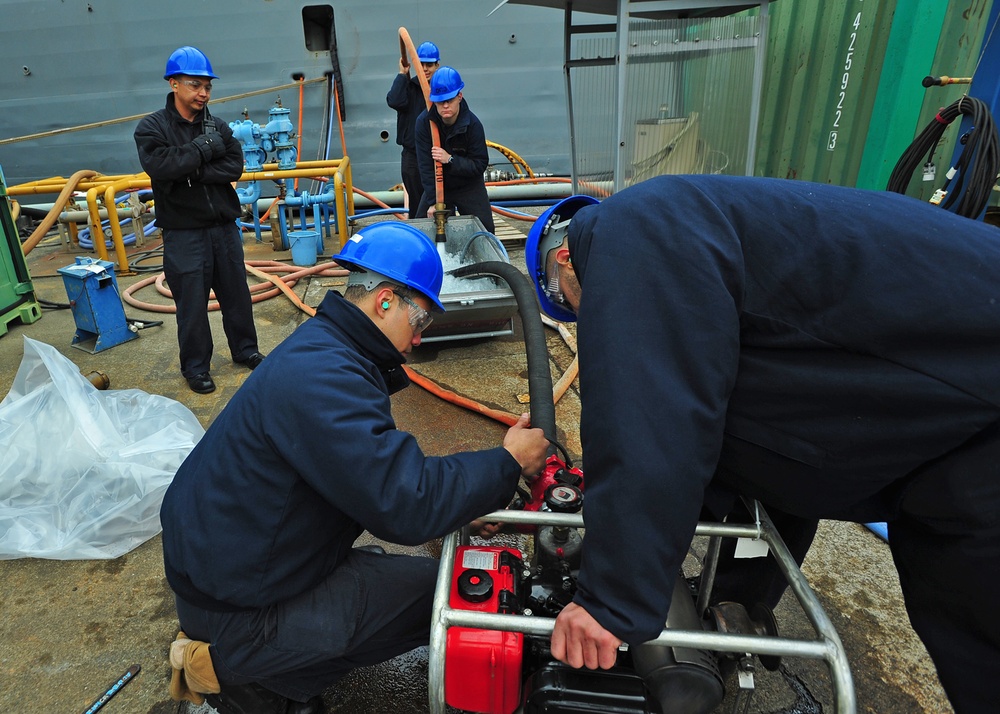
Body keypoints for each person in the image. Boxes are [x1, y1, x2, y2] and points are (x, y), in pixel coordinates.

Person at [524, 175, 1000, 714]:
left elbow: (651, 413)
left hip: (978, 394)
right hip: (949, 413)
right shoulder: (697, 226)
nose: (585, 320)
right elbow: (761, 429)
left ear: (565, 260)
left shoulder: (631, 230)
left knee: (983, 639)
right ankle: (739, 599)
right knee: (965, 613)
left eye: (571, 307)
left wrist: (610, 599)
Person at [160, 221, 549, 714]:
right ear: (385, 301)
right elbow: (404, 502)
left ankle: (272, 664)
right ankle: (252, 676)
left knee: (418, 586)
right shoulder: (325, 376)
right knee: (447, 604)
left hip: (241, 575)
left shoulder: (326, 350)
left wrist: (463, 506)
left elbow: (365, 475)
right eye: (421, 322)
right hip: (239, 614)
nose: (416, 342)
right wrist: (508, 462)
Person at [134, 46, 264, 395]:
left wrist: (191, 170)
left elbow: (234, 165)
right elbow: (161, 167)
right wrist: (205, 151)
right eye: (195, 85)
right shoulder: (152, 128)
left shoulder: (217, 125)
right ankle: (195, 367)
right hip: (184, 234)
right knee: (191, 304)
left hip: (223, 229)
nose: (203, 92)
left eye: (207, 85)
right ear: (174, 84)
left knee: (237, 295)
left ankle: (246, 349)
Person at [414, 66, 495, 233]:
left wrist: (450, 159)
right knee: (421, 229)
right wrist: (432, 201)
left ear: (459, 96)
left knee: (485, 233)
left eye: (449, 100)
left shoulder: (473, 125)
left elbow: (479, 165)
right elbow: (425, 166)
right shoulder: (424, 123)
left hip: (468, 185)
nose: (445, 106)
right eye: (440, 101)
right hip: (438, 184)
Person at [386, 40, 439, 218]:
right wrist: (402, 74)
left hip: (435, 155)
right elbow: (394, 100)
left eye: (429, 65)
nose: (425, 68)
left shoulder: (441, 90)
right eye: (421, 64)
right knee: (418, 203)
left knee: (440, 203)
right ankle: (421, 237)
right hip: (412, 156)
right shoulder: (410, 87)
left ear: (437, 65)